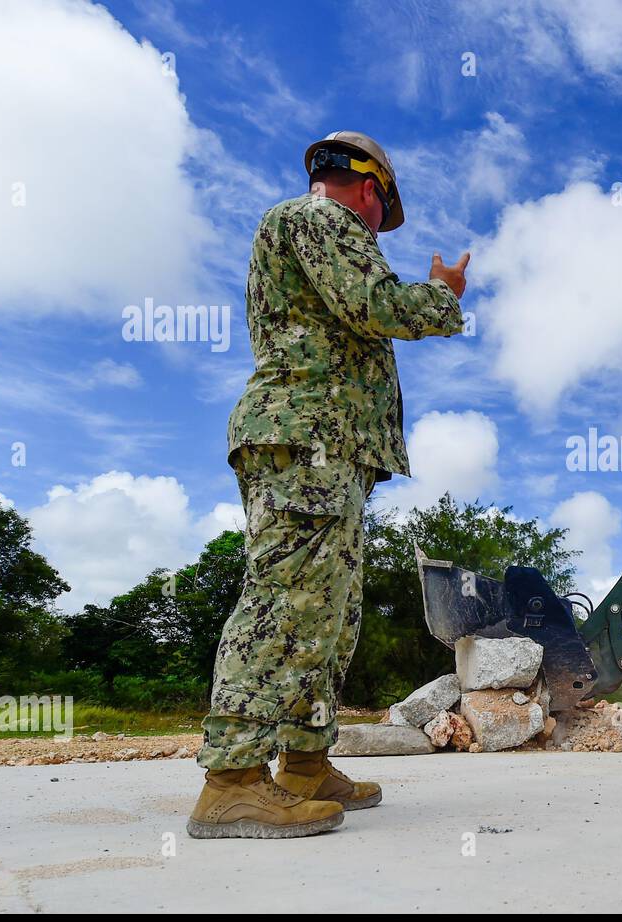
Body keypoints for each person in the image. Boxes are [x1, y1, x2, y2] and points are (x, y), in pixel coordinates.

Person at [189, 131, 469, 839]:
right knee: (286, 604)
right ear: (372, 190)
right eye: (383, 214)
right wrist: (442, 296)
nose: (377, 229)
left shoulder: (307, 225)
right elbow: (374, 303)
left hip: (329, 447)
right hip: (305, 440)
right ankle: (231, 782)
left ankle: (305, 764)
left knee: (328, 616)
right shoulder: (318, 217)